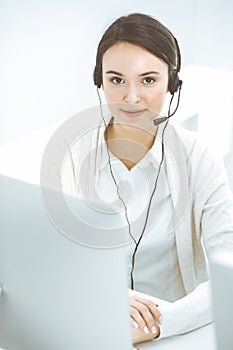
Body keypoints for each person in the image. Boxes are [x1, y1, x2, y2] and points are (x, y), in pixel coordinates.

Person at [60, 13, 233, 345]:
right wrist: (110, 300)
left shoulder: (200, 159)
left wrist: (155, 325)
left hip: (172, 334)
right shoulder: (72, 157)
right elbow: (53, 265)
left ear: (172, 83)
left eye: (148, 80)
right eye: (117, 79)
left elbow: (227, 277)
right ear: (99, 81)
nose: (131, 97)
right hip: (89, 327)